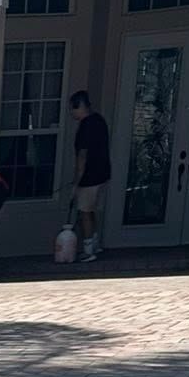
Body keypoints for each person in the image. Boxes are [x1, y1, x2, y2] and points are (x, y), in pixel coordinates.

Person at [69, 90, 112, 262]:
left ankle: (88, 250)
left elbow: (82, 156)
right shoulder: (99, 120)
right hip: (103, 174)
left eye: (72, 109)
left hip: (89, 177)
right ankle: (95, 244)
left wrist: (77, 180)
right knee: (92, 210)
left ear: (80, 106)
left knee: (84, 212)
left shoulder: (85, 126)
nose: (72, 113)